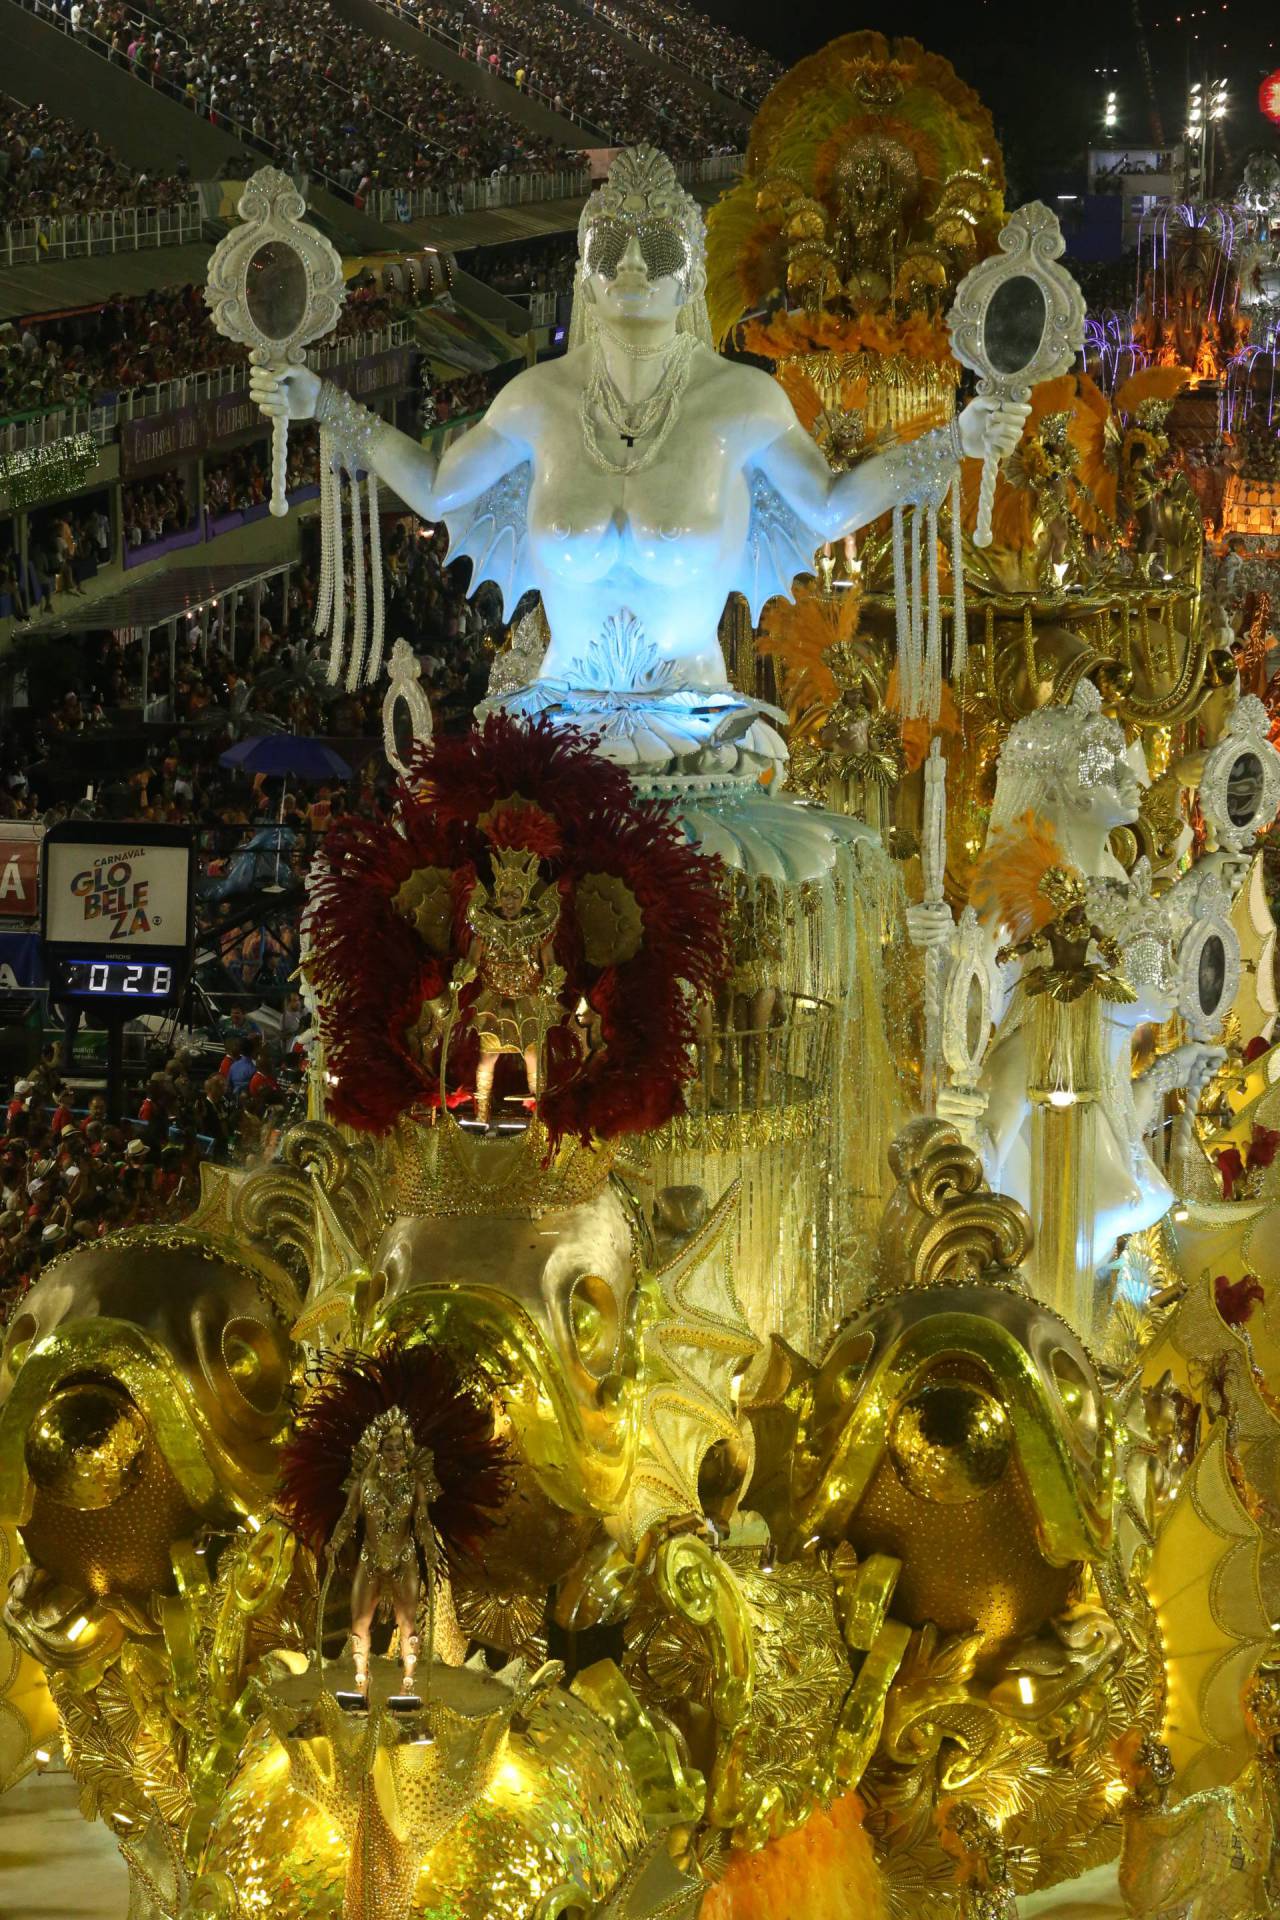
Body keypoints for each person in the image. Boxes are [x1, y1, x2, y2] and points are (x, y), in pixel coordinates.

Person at [253, 146, 1027, 774]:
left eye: (655, 249)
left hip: (701, 741)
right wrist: (324, 404)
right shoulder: (537, 398)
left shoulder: (742, 402)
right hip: (550, 733)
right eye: (609, 247)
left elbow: (826, 506)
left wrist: (953, 439)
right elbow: (433, 490)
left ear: (688, 269)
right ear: (584, 267)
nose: (630, 270)